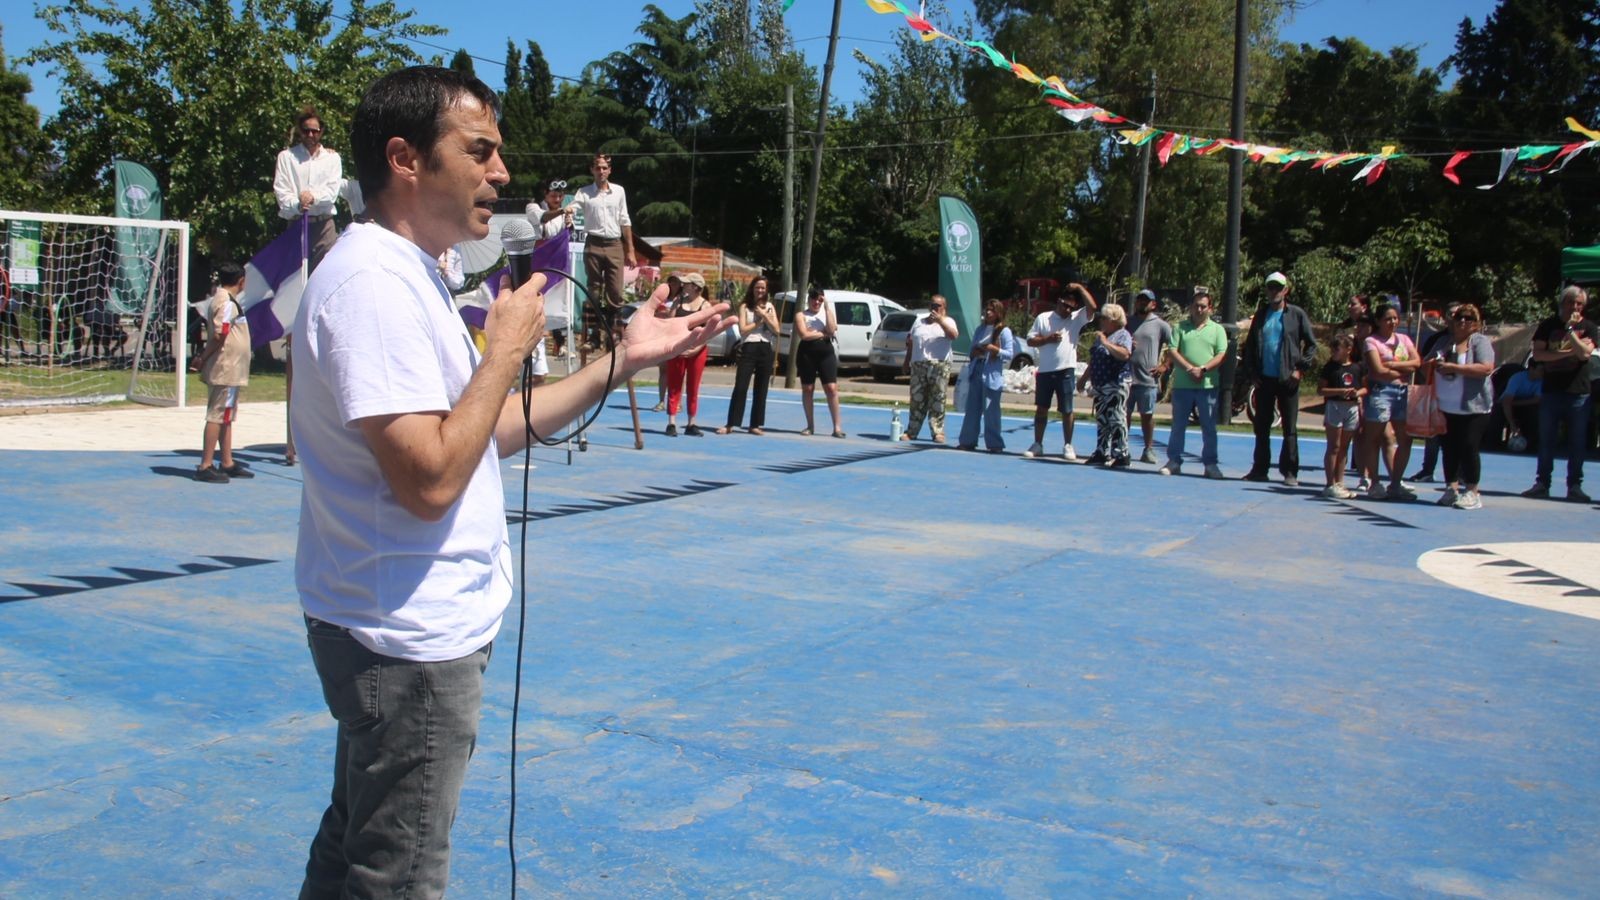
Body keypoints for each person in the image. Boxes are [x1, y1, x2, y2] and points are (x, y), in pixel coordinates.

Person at [290, 66, 730, 899]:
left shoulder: (408, 271)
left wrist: (625, 359)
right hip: (409, 643)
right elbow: (429, 481)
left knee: (354, 850)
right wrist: (504, 351)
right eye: (479, 150)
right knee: (398, 876)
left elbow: (483, 433)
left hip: (399, 631)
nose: (501, 171)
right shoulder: (375, 284)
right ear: (405, 159)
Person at [1239, 271, 1318, 486]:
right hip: (1264, 379)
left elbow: (1311, 345)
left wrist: (1299, 369)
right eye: (1270, 287)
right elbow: (1250, 347)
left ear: (1285, 290)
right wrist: (1252, 374)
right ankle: (1259, 469)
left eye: (1278, 287)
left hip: (1288, 379)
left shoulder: (1296, 314)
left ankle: (1290, 471)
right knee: (1261, 426)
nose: (1274, 291)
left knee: (1289, 429)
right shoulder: (1261, 315)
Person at [1522, 286, 1596, 501]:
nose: (1575, 307)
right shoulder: (1548, 326)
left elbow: (1584, 355)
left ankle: (1575, 486)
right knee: (1546, 441)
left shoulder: (1589, 327)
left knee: (1577, 443)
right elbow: (1538, 355)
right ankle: (1542, 484)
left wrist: (1570, 331)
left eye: (1579, 304)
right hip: (1552, 392)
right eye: (1571, 302)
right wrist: (1568, 352)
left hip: (1578, 393)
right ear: (1562, 303)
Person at [188, 261, 253, 484]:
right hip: (226, 367)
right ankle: (206, 464)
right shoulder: (226, 302)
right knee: (216, 415)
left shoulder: (229, 301)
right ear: (241, 281)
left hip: (233, 369)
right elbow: (220, 334)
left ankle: (227, 461)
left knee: (226, 416)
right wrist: (203, 357)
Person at [1427, 303, 1495, 509]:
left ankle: (1472, 491)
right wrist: (1434, 364)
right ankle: (1451, 488)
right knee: (1449, 448)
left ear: (1476, 323)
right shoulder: (1444, 341)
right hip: (1446, 405)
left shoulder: (1480, 342)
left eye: (1468, 318)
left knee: (1469, 446)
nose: (1463, 321)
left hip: (1474, 406)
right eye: (1459, 318)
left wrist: (1455, 368)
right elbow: (1426, 363)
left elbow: (1486, 368)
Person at [1160, 286, 1229, 479]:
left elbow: (1221, 354)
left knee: (1209, 427)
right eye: (1196, 305)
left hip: (1208, 386)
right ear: (1190, 307)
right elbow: (1172, 350)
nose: (1199, 309)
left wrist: (1203, 369)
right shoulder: (1180, 327)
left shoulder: (1217, 330)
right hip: (1183, 385)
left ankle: (1210, 465)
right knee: (1178, 426)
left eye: (1203, 306)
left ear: (1210, 308)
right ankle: (1174, 461)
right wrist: (1190, 368)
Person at [1023, 282, 1097, 459]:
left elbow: (1093, 307)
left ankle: (1068, 445)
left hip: (1066, 370)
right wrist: (1047, 339)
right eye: (1065, 305)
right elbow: (1030, 340)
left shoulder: (1075, 318)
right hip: (1045, 370)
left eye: (1071, 307)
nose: (1067, 310)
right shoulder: (1044, 318)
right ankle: (1038, 443)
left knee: (1067, 409)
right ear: (1058, 301)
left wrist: (1079, 288)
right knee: (1041, 408)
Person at [1358, 300, 1422, 501]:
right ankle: (1375, 483)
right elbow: (1377, 369)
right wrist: (1403, 368)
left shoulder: (1404, 339)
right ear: (1378, 321)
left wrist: (1392, 365)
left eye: (1395, 318)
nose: (1393, 322)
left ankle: (1396, 483)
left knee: (1405, 439)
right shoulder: (1371, 341)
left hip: (1402, 391)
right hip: (1380, 392)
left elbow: (1416, 363)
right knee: (1374, 438)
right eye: (1388, 319)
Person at [573, 152, 635, 355]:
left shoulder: (618, 191)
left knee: (615, 291)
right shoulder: (584, 192)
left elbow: (625, 220)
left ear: (609, 170)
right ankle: (593, 335)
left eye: (604, 168)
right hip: (593, 242)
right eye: (597, 168)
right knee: (594, 290)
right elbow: (574, 207)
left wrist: (630, 250)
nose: (601, 171)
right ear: (592, 170)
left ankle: (611, 333)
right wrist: (568, 212)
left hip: (614, 243)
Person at [272, 106, 344, 273]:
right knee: (293, 278)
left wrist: (313, 197)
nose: (310, 135)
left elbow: (332, 192)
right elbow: (281, 191)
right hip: (296, 225)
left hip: (324, 228)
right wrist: (298, 204)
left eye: (315, 131)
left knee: (326, 275)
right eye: (306, 131)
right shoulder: (286, 157)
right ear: (299, 131)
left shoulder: (332, 158)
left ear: (321, 131)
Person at [1407, 301, 1463, 483]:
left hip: (1462, 395)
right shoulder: (1438, 340)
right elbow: (1424, 364)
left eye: (1458, 314)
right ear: (1445, 318)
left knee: (1459, 436)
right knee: (1433, 435)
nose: (1454, 318)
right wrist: (1435, 365)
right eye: (1450, 314)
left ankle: (1461, 474)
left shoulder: (1472, 340)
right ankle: (1427, 470)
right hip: (1439, 393)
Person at [719, 276, 780, 435]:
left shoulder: (770, 307)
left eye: (763, 288)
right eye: (757, 287)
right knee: (740, 387)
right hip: (749, 347)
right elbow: (743, 330)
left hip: (765, 348)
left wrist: (765, 316)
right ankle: (731, 423)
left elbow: (777, 330)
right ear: (752, 288)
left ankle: (755, 424)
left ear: (766, 290)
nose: (760, 290)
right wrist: (758, 322)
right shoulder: (745, 306)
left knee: (761, 389)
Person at [1078, 302, 1134, 466]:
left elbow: (1124, 354)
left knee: (1116, 417)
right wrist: (1084, 378)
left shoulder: (1123, 335)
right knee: (1102, 419)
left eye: (1104, 318)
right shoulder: (1102, 336)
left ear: (1114, 320)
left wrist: (1106, 343)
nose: (1101, 321)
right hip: (1100, 383)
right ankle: (1102, 451)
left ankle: (1121, 453)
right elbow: (1095, 359)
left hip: (1116, 382)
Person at [958, 298, 1017, 452]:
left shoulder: (1004, 331)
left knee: (991, 410)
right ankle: (967, 441)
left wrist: (994, 350)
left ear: (998, 313)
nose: (988, 312)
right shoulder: (980, 329)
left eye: (992, 310)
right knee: (972, 408)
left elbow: (1009, 354)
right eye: (987, 309)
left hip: (991, 372)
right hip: (977, 368)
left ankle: (994, 443)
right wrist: (976, 351)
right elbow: (971, 349)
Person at [902, 293, 959, 442]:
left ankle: (937, 432)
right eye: (932, 305)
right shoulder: (919, 321)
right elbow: (911, 342)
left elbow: (953, 335)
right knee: (916, 399)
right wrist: (907, 361)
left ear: (944, 307)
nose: (934, 308)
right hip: (919, 364)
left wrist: (940, 321)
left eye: (937, 306)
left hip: (939, 364)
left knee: (938, 399)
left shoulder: (949, 321)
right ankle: (912, 431)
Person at [1125, 289, 1173, 464]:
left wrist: (1164, 366)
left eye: (1146, 301)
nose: (1142, 303)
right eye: (1140, 300)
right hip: (1126, 377)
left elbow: (1175, 347)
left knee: (1147, 416)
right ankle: (1122, 447)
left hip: (1147, 379)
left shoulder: (1161, 325)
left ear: (1153, 304)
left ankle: (1148, 449)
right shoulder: (1127, 322)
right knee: (1124, 415)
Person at [662, 272, 712, 437]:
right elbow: (669, 324)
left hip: (697, 351)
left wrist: (696, 348)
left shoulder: (705, 306)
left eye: (687, 283)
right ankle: (671, 422)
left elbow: (709, 332)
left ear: (696, 287)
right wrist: (675, 346)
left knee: (693, 386)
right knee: (674, 384)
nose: (683, 286)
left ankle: (691, 423)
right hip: (678, 349)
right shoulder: (678, 301)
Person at [1316, 334, 1365, 498]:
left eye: (1336, 349)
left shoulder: (1357, 367)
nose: (1333, 352)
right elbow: (1321, 390)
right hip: (1335, 406)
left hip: (1351, 407)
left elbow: (1366, 387)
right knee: (1334, 446)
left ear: (1348, 350)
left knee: (1344, 446)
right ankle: (1329, 484)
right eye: (1332, 349)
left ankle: (1339, 482)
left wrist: (1357, 393)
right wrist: (1340, 391)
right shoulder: (1330, 368)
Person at [795, 286, 845, 437]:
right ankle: (810, 426)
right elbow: (804, 335)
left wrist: (827, 307)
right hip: (807, 354)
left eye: (819, 300)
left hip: (826, 353)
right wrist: (823, 333)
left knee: (831, 388)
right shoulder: (801, 315)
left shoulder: (826, 313)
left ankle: (837, 427)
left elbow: (832, 329)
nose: (816, 302)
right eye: (813, 299)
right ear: (809, 299)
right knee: (808, 388)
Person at [1499, 365, 1541, 448]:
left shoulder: (1541, 380)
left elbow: (1537, 400)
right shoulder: (1517, 378)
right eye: (1541, 370)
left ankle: (1530, 443)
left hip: (1522, 404)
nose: (1543, 373)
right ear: (1531, 369)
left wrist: (1515, 403)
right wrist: (1512, 424)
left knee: (1534, 413)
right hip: (1505, 404)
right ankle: (1493, 443)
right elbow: (1506, 401)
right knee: (1498, 413)